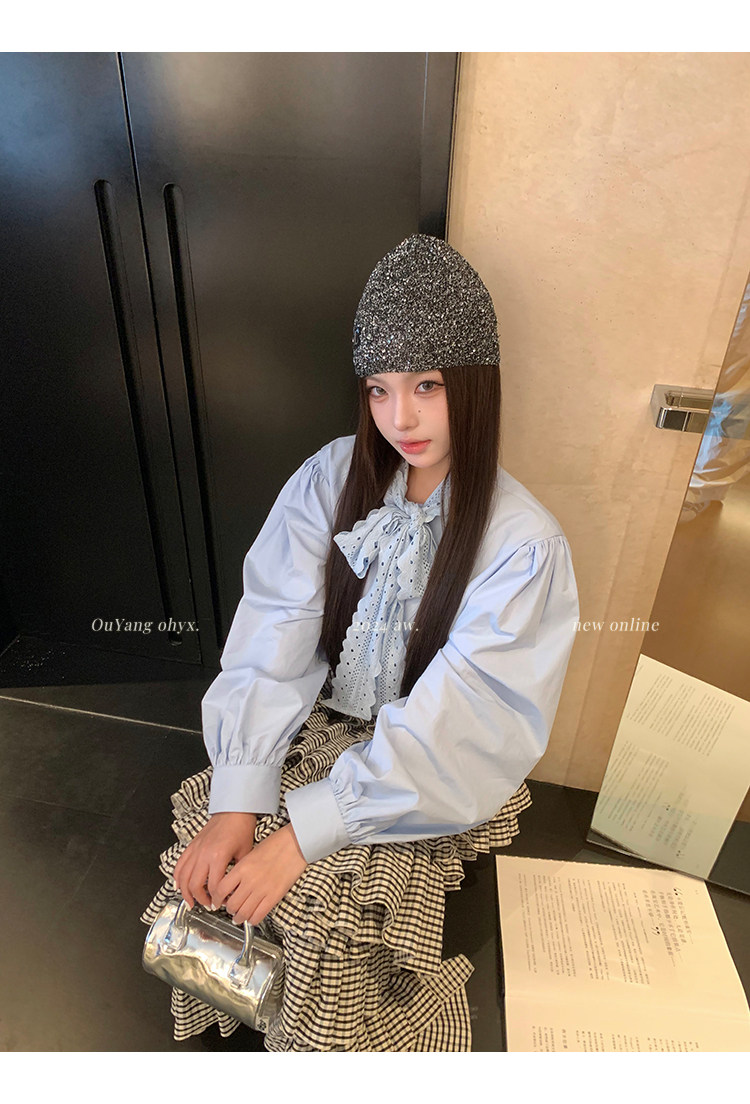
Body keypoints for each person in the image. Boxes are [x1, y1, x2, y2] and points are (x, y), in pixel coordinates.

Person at [140, 233, 580, 1052]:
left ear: (476, 385)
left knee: (325, 913)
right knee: (209, 856)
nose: (399, 418)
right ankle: (233, 1005)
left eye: (427, 386)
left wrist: (305, 832)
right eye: (379, 389)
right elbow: (276, 624)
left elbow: (465, 715)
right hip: (323, 725)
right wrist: (240, 796)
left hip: (421, 771)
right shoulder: (331, 477)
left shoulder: (522, 546)